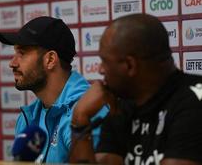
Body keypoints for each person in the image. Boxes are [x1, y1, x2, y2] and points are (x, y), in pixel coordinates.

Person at [70, 14, 202, 165]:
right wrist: (79, 118)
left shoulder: (194, 103)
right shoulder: (121, 108)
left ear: (130, 65)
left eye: (104, 61)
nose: (100, 69)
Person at [0, 16, 108, 163]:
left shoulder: (88, 111)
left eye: (22, 53)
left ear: (50, 60)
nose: (12, 63)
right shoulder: (28, 118)